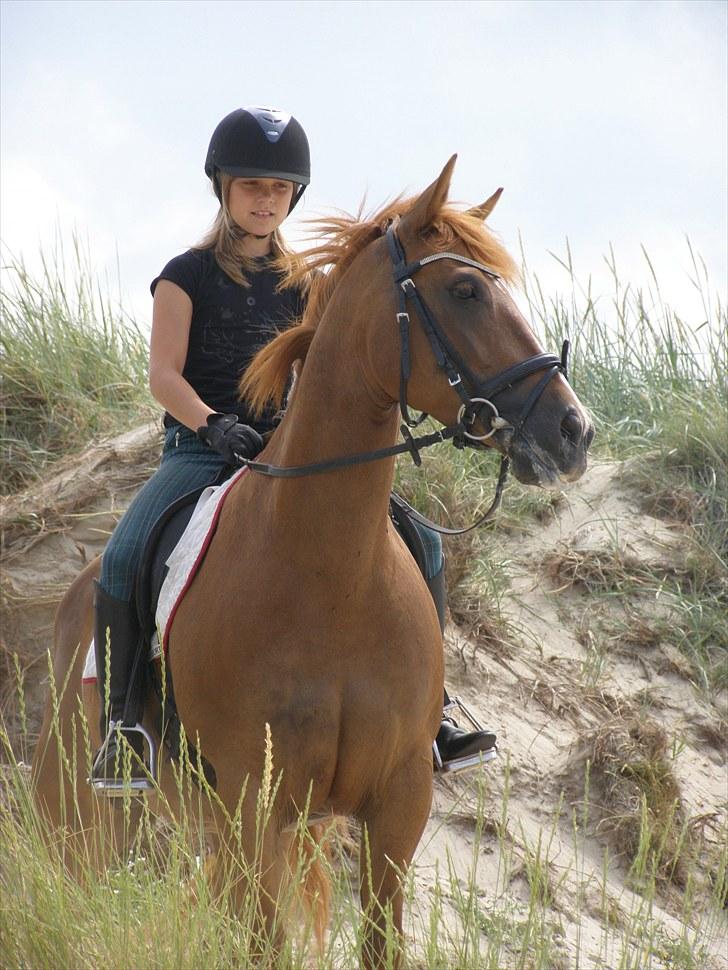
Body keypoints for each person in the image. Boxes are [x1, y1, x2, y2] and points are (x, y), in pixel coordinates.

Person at [91, 106, 495, 792]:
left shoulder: (309, 284)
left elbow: (328, 372)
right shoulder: (183, 275)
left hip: (288, 455)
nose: (265, 199)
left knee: (423, 544)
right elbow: (164, 374)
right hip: (200, 452)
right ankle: (123, 723)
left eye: (279, 189)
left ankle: (438, 711)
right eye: (252, 185)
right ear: (223, 188)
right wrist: (212, 424)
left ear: (294, 196)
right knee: (125, 554)